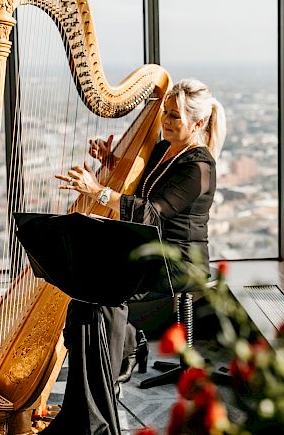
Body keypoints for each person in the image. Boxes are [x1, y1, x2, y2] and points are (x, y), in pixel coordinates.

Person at [48, 79, 226, 433]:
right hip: (145, 247)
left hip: (177, 260)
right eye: (166, 114)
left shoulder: (199, 167)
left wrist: (98, 191)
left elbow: (152, 212)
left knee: (105, 295)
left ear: (198, 123)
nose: (167, 122)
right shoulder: (163, 148)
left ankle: (106, 387)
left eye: (175, 117)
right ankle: (118, 356)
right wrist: (110, 160)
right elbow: (139, 185)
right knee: (85, 286)